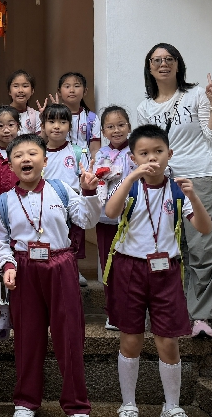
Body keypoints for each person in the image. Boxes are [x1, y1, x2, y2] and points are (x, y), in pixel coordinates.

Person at [103, 124, 212, 417]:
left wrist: (194, 197)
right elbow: (111, 212)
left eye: (158, 151)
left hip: (166, 272)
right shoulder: (129, 185)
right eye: (144, 153)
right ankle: (128, 403)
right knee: (131, 338)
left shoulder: (177, 189)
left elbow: (204, 227)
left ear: (169, 154)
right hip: (129, 268)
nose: (152, 158)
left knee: (168, 340)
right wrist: (130, 178)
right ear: (133, 158)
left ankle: (172, 405)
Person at [0, 134, 100, 417]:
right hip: (24, 268)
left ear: (45, 160)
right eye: (18, 156)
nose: (25, 159)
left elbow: (87, 219)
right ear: (10, 164)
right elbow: (0, 242)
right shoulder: (3, 201)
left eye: (32, 153)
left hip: (60, 264)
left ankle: (76, 405)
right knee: (27, 336)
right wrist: (7, 265)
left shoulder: (61, 189)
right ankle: (26, 401)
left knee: (70, 336)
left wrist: (89, 193)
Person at [136, 43, 212, 338]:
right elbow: (146, 149)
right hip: (162, 182)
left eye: (169, 59)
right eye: (157, 60)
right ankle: (171, 311)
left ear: (178, 64)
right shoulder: (145, 108)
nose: (163, 64)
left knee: (203, 247)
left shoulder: (196, 94)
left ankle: (201, 317)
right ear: (149, 67)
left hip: (200, 176)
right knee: (169, 248)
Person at [91, 106, 134, 329]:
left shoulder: (135, 151)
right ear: (103, 131)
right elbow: (98, 176)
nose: (116, 130)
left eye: (121, 125)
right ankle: (113, 312)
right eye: (110, 126)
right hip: (106, 219)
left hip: (132, 218)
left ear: (129, 127)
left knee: (131, 265)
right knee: (109, 264)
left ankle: (132, 310)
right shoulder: (101, 154)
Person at [40, 103, 90, 285]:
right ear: (43, 125)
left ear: (70, 125)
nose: (57, 126)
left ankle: (74, 269)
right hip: (47, 206)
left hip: (72, 205)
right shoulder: (38, 152)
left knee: (73, 239)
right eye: (51, 121)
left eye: (62, 122)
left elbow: (84, 179)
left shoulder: (77, 152)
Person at [56, 72, 101, 166]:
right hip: (59, 164)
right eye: (67, 86)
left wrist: (95, 168)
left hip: (84, 165)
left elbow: (94, 149)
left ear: (85, 91)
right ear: (59, 92)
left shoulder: (91, 118)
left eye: (76, 86)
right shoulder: (53, 116)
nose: (72, 90)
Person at [4, 70, 42, 136]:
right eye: (16, 86)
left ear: (32, 91)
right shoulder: (1, 115)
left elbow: (40, 140)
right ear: (9, 91)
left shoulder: (37, 116)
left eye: (25, 86)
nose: (20, 90)